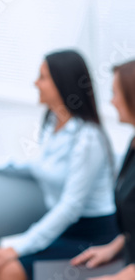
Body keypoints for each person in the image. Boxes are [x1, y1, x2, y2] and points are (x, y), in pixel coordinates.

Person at [0, 50, 119, 280]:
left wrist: (17, 247)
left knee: (8, 270)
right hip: (62, 230)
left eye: (42, 77)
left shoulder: (88, 139)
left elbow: (70, 207)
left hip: (90, 235)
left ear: (61, 83)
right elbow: (40, 166)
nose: (35, 83)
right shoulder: (52, 126)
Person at [71, 60, 135, 280]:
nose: (112, 101)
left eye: (116, 94)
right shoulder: (133, 143)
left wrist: (117, 278)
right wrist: (114, 247)